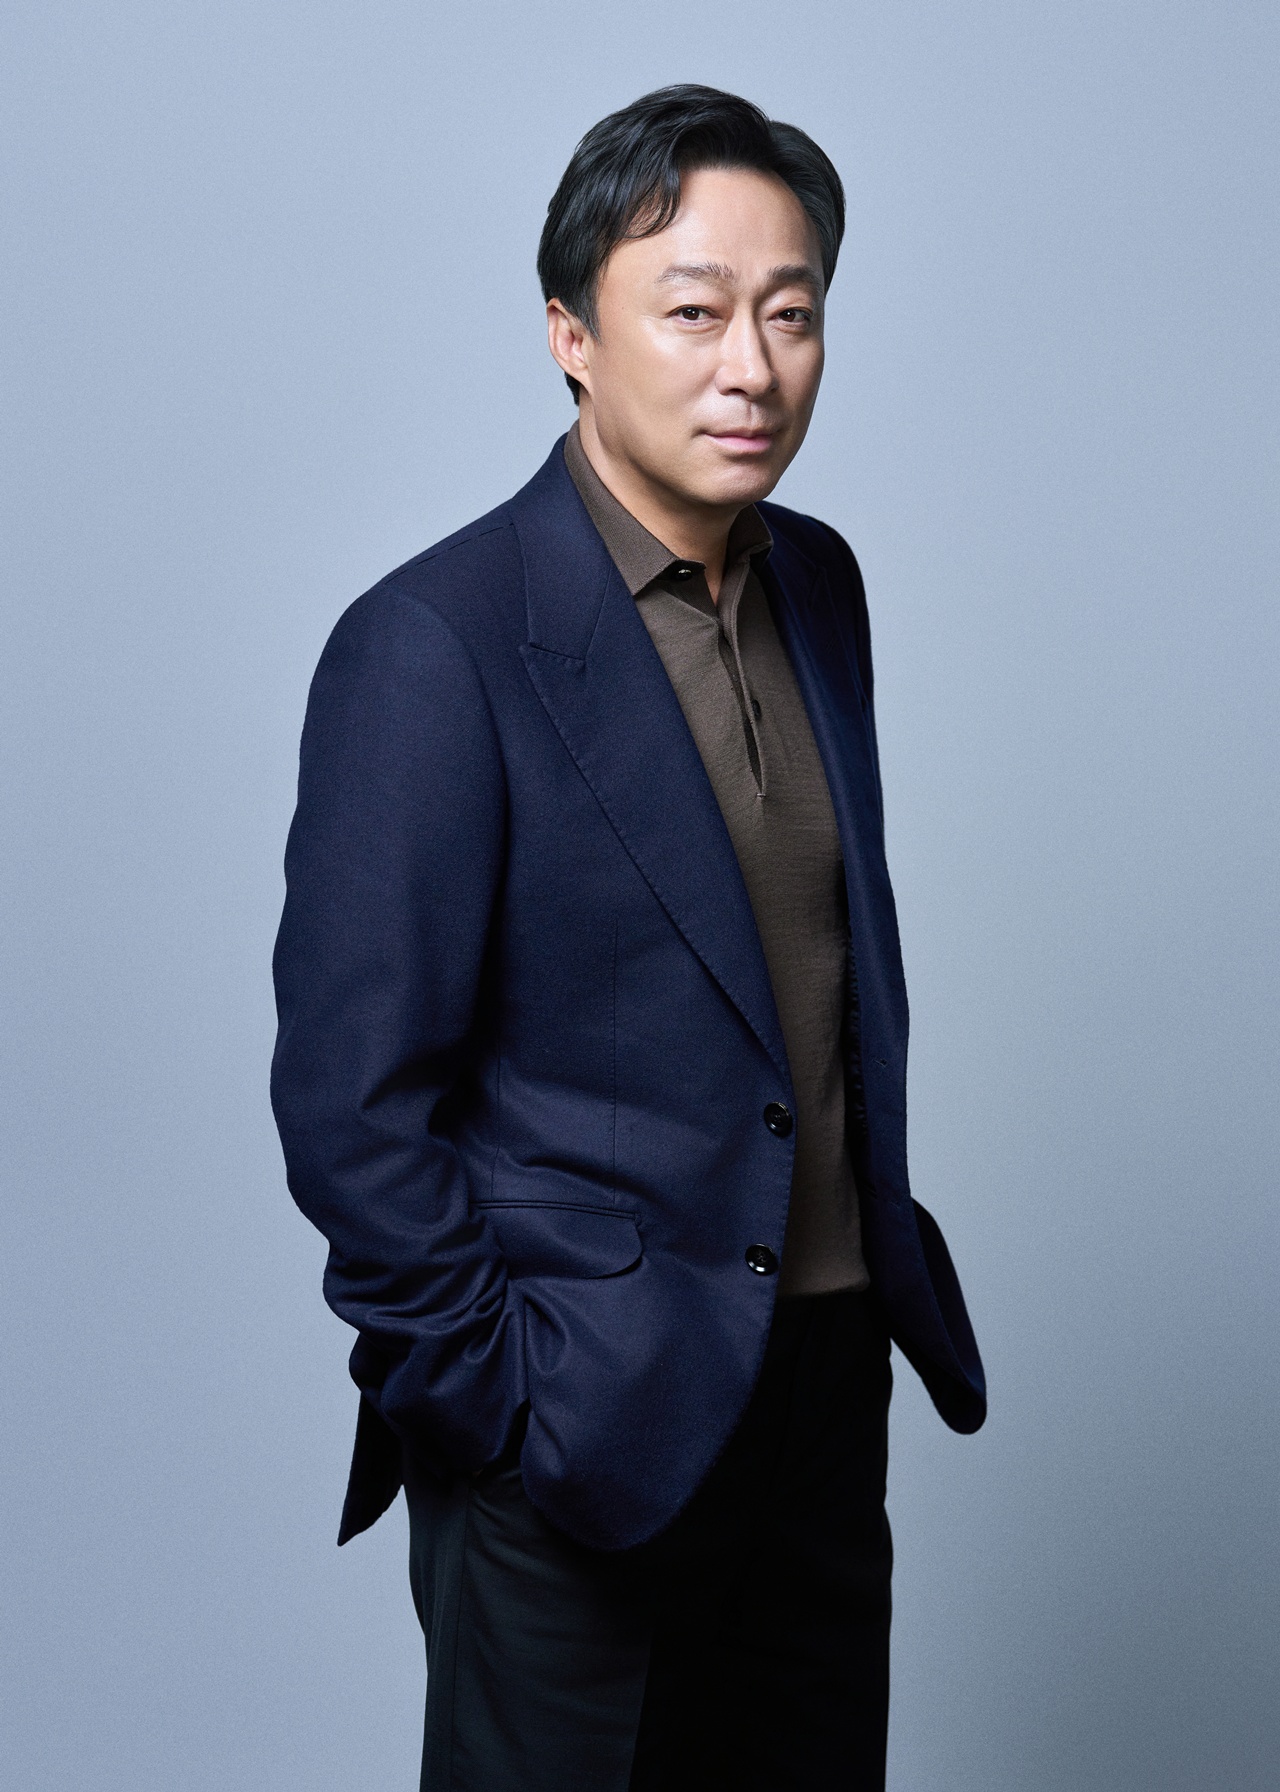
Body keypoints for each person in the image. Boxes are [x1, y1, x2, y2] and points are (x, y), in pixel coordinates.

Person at [271, 83, 985, 1792]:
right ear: (572, 338)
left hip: (823, 1397)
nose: (753, 366)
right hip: (580, 1423)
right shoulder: (435, 643)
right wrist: (505, 1406)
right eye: (693, 311)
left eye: (791, 313)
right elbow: (352, 1112)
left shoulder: (820, 586)